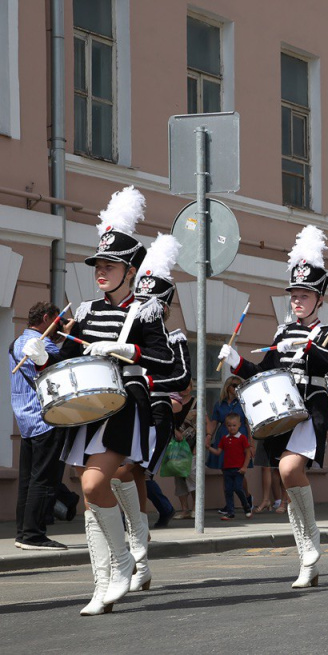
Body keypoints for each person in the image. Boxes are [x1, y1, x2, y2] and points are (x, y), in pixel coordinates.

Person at [22, 186, 175, 615]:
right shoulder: (86, 312)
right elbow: (69, 360)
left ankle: (125, 560)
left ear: (130, 270)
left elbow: (170, 364)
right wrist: (41, 359)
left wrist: (131, 352)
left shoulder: (144, 313)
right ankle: (102, 582)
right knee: (90, 498)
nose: (101, 271)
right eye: (98, 265)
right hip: (88, 407)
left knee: (92, 483)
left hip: (125, 405)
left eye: (110, 265)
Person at [219, 226, 328, 589]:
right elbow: (265, 373)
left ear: (319, 298)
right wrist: (237, 364)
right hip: (280, 409)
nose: (296, 301)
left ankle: (311, 540)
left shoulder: (327, 330)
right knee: (285, 475)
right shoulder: (281, 333)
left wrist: (317, 351)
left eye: (303, 295)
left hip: (311, 408)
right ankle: (307, 555)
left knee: (290, 469)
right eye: (293, 295)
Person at [109, 233, 189, 591]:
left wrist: (159, 386)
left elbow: (183, 376)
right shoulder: (127, 329)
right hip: (126, 405)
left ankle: (138, 555)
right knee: (128, 477)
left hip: (156, 411)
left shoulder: (174, 339)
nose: (143, 307)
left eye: (150, 302)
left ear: (164, 308)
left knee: (129, 473)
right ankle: (139, 556)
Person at [10, 301, 67, 550]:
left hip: (26, 419)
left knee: (27, 480)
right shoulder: (39, 343)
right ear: (46, 318)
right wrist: (72, 337)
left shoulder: (18, 342)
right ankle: (34, 535)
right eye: (58, 321)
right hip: (46, 418)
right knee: (43, 480)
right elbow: (59, 367)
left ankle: (23, 533)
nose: (60, 326)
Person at [206, 376, 249, 511]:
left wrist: (252, 444)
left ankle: (247, 499)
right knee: (226, 471)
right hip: (224, 438)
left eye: (239, 386)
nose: (236, 388)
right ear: (227, 387)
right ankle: (228, 505)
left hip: (240, 439)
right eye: (234, 385)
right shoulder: (220, 404)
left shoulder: (243, 402)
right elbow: (214, 422)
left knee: (240, 472)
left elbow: (248, 424)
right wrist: (208, 437)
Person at [205, 413, 252, 520]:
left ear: (239, 425)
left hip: (239, 469)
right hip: (227, 469)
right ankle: (230, 512)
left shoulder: (242, 438)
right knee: (228, 490)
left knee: (238, 488)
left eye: (234, 425)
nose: (232, 428)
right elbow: (218, 452)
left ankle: (246, 507)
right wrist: (208, 448)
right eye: (229, 425)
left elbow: (248, 453)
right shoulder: (224, 439)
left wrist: (244, 467)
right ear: (226, 426)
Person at [171, 383, 198, 519]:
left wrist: (198, 446)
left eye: (188, 385)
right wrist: (174, 431)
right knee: (179, 477)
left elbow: (203, 424)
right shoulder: (173, 401)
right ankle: (184, 509)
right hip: (176, 444)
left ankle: (196, 508)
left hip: (192, 444)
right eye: (183, 384)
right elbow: (167, 420)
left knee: (192, 476)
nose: (185, 388)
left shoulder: (197, 402)